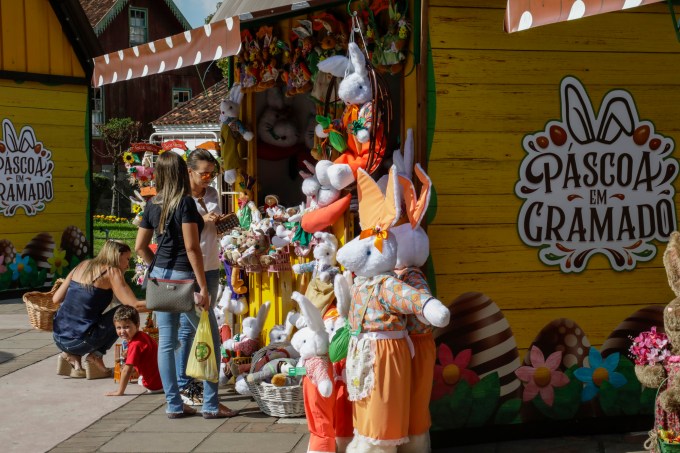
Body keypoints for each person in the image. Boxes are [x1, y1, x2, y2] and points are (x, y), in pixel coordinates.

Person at [135, 151, 238, 419]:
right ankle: (211, 404)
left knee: (167, 343)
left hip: (162, 278)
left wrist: (156, 270)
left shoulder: (153, 204)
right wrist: (202, 287)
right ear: (182, 172)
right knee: (211, 338)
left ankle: (174, 404)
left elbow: (140, 247)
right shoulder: (185, 204)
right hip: (186, 278)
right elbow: (192, 248)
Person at [52, 240, 147, 380]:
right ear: (117, 255)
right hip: (80, 342)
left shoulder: (82, 265)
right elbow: (134, 305)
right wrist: (164, 303)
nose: (128, 265)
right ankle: (95, 357)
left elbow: (56, 299)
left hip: (58, 337)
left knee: (88, 320)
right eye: (127, 259)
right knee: (124, 312)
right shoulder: (111, 271)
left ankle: (72, 357)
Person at [175, 149, 227, 405]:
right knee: (205, 328)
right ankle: (196, 389)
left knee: (190, 327)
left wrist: (219, 221)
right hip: (190, 267)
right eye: (203, 173)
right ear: (189, 172)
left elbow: (212, 227)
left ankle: (187, 382)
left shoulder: (213, 193)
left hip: (211, 263)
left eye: (212, 173)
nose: (208, 178)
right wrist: (202, 219)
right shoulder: (182, 199)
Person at [106, 305, 162, 396]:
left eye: (126, 327)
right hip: (162, 380)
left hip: (154, 385)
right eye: (119, 328)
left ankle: (134, 385)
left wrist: (119, 391)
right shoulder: (143, 336)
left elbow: (126, 371)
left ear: (137, 325)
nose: (122, 331)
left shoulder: (135, 344)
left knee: (136, 376)